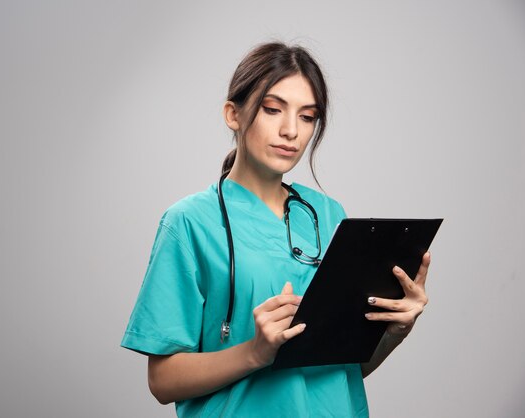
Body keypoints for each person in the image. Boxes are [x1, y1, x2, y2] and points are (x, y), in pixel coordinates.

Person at [121, 42, 431, 417]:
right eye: (272, 109)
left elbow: (346, 369)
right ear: (232, 114)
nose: (290, 131)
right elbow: (162, 382)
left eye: (307, 117)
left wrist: (395, 330)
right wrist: (255, 352)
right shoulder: (189, 224)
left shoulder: (329, 216)